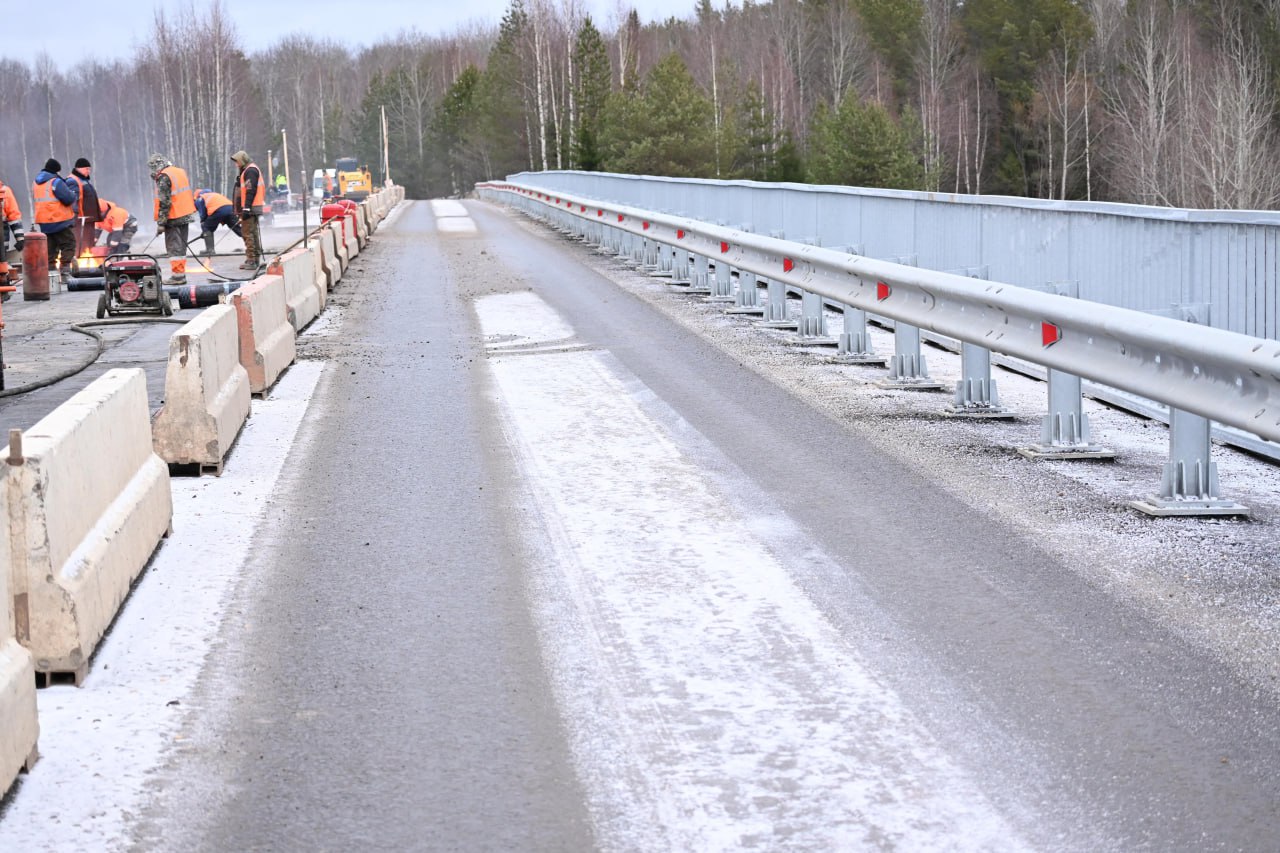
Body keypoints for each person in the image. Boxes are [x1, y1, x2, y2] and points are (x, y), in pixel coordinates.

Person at [148, 153, 195, 285]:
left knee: (174, 248)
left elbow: (165, 201)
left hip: (173, 217)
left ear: (156, 166)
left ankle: (177, 276)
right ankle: (180, 274)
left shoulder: (164, 176)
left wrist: (161, 223)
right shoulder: (179, 171)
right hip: (185, 214)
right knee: (181, 247)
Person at [32, 158, 79, 284]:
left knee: (50, 249)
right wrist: (73, 193)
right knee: (68, 244)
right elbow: (68, 198)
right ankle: (65, 274)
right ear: (56, 170)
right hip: (59, 219)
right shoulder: (55, 182)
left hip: (44, 221)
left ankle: (51, 276)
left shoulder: (36, 182)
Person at [231, 150, 264, 270]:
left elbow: (250, 190)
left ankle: (251, 260)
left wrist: (246, 208)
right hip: (253, 206)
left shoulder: (250, 171)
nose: (236, 164)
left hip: (250, 207)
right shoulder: (249, 170)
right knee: (252, 233)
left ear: (242, 160)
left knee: (247, 233)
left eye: (237, 162)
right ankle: (254, 258)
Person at [66, 157, 102, 254]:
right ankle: (80, 262)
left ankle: (87, 260)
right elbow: (73, 201)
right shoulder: (72, 181)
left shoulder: (83, 180)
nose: (88, 171)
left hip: (88, 219)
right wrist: (74, 219)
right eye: (87, 169)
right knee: (81, 243)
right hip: (80, 220)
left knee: (88, 244)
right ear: (79, 168)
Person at [194, 188, 242, 256]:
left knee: (206, 226)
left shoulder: (200, 199)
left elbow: (203, 215)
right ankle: (253, 245)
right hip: (231, 208)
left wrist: (205, 231)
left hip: (219, 210)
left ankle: (210, 250)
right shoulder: (215, 195)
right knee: (236, 227)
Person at [0, 178, 25, 285]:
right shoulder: (5, 191)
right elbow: (13, 216)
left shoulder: (4, 191)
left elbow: (13, 217)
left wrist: (20, 239)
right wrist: (20, 239)